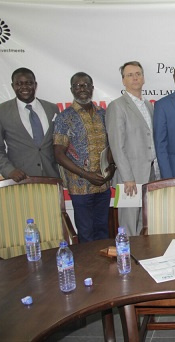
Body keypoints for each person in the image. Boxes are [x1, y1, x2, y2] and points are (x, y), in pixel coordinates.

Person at [54, 72, 115, 243]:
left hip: (103, 185)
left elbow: (110, 145)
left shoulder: (103, 114)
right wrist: (86, 175)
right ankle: (88, 269)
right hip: (80, 187)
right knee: (86, 233)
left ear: (92, 88)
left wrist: (111, 167)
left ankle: (104, 268)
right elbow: (59, 154)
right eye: (78, 86)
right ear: (72, 89)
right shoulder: (65, 117)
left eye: (86, 85)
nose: (83, 89)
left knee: (103, 230)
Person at [106, 61, 157, 237]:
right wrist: (128, 177)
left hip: (149, 173)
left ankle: (142, 260)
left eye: (138, 74)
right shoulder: (117, 106)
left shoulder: (148, 105)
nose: (135, 78)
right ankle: (128, 261)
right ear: (123, 81)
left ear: (143, 78)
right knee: (128, 225)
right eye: (130, 75)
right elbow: (117, 146)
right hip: (130, 178)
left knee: (145, 222)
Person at [0, 67, 59, 181]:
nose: (24, 87)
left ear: (35, 85)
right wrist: (9, 170)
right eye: (19, 83)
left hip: (52, 177)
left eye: (29, 83)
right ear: (13, 86)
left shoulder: (52, 108)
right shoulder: (0, 111)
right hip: (20, 179)